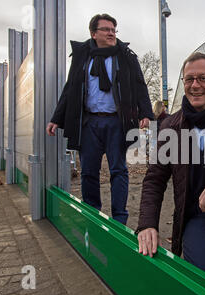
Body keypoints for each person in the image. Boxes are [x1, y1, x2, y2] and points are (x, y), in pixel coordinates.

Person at [136, 52, 205, 277]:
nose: (195, 85)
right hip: (198, 217)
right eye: (189, 79)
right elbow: (154, 179)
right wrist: (147, 224)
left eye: (203, 78)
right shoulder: (169, 127)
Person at [46, 14, 154, 225]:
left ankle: (119, 220)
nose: (111, 33)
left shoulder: (125, 56)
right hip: (89, 124)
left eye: (114, 29)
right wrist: (56, 118)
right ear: (93, 34)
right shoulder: (81, 57)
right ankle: (92, 215)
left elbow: (140, 85)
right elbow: (70, 89)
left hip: (117, 122)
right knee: (88, 172)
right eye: (106, 29)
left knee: (119, 170)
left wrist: (146, 113)